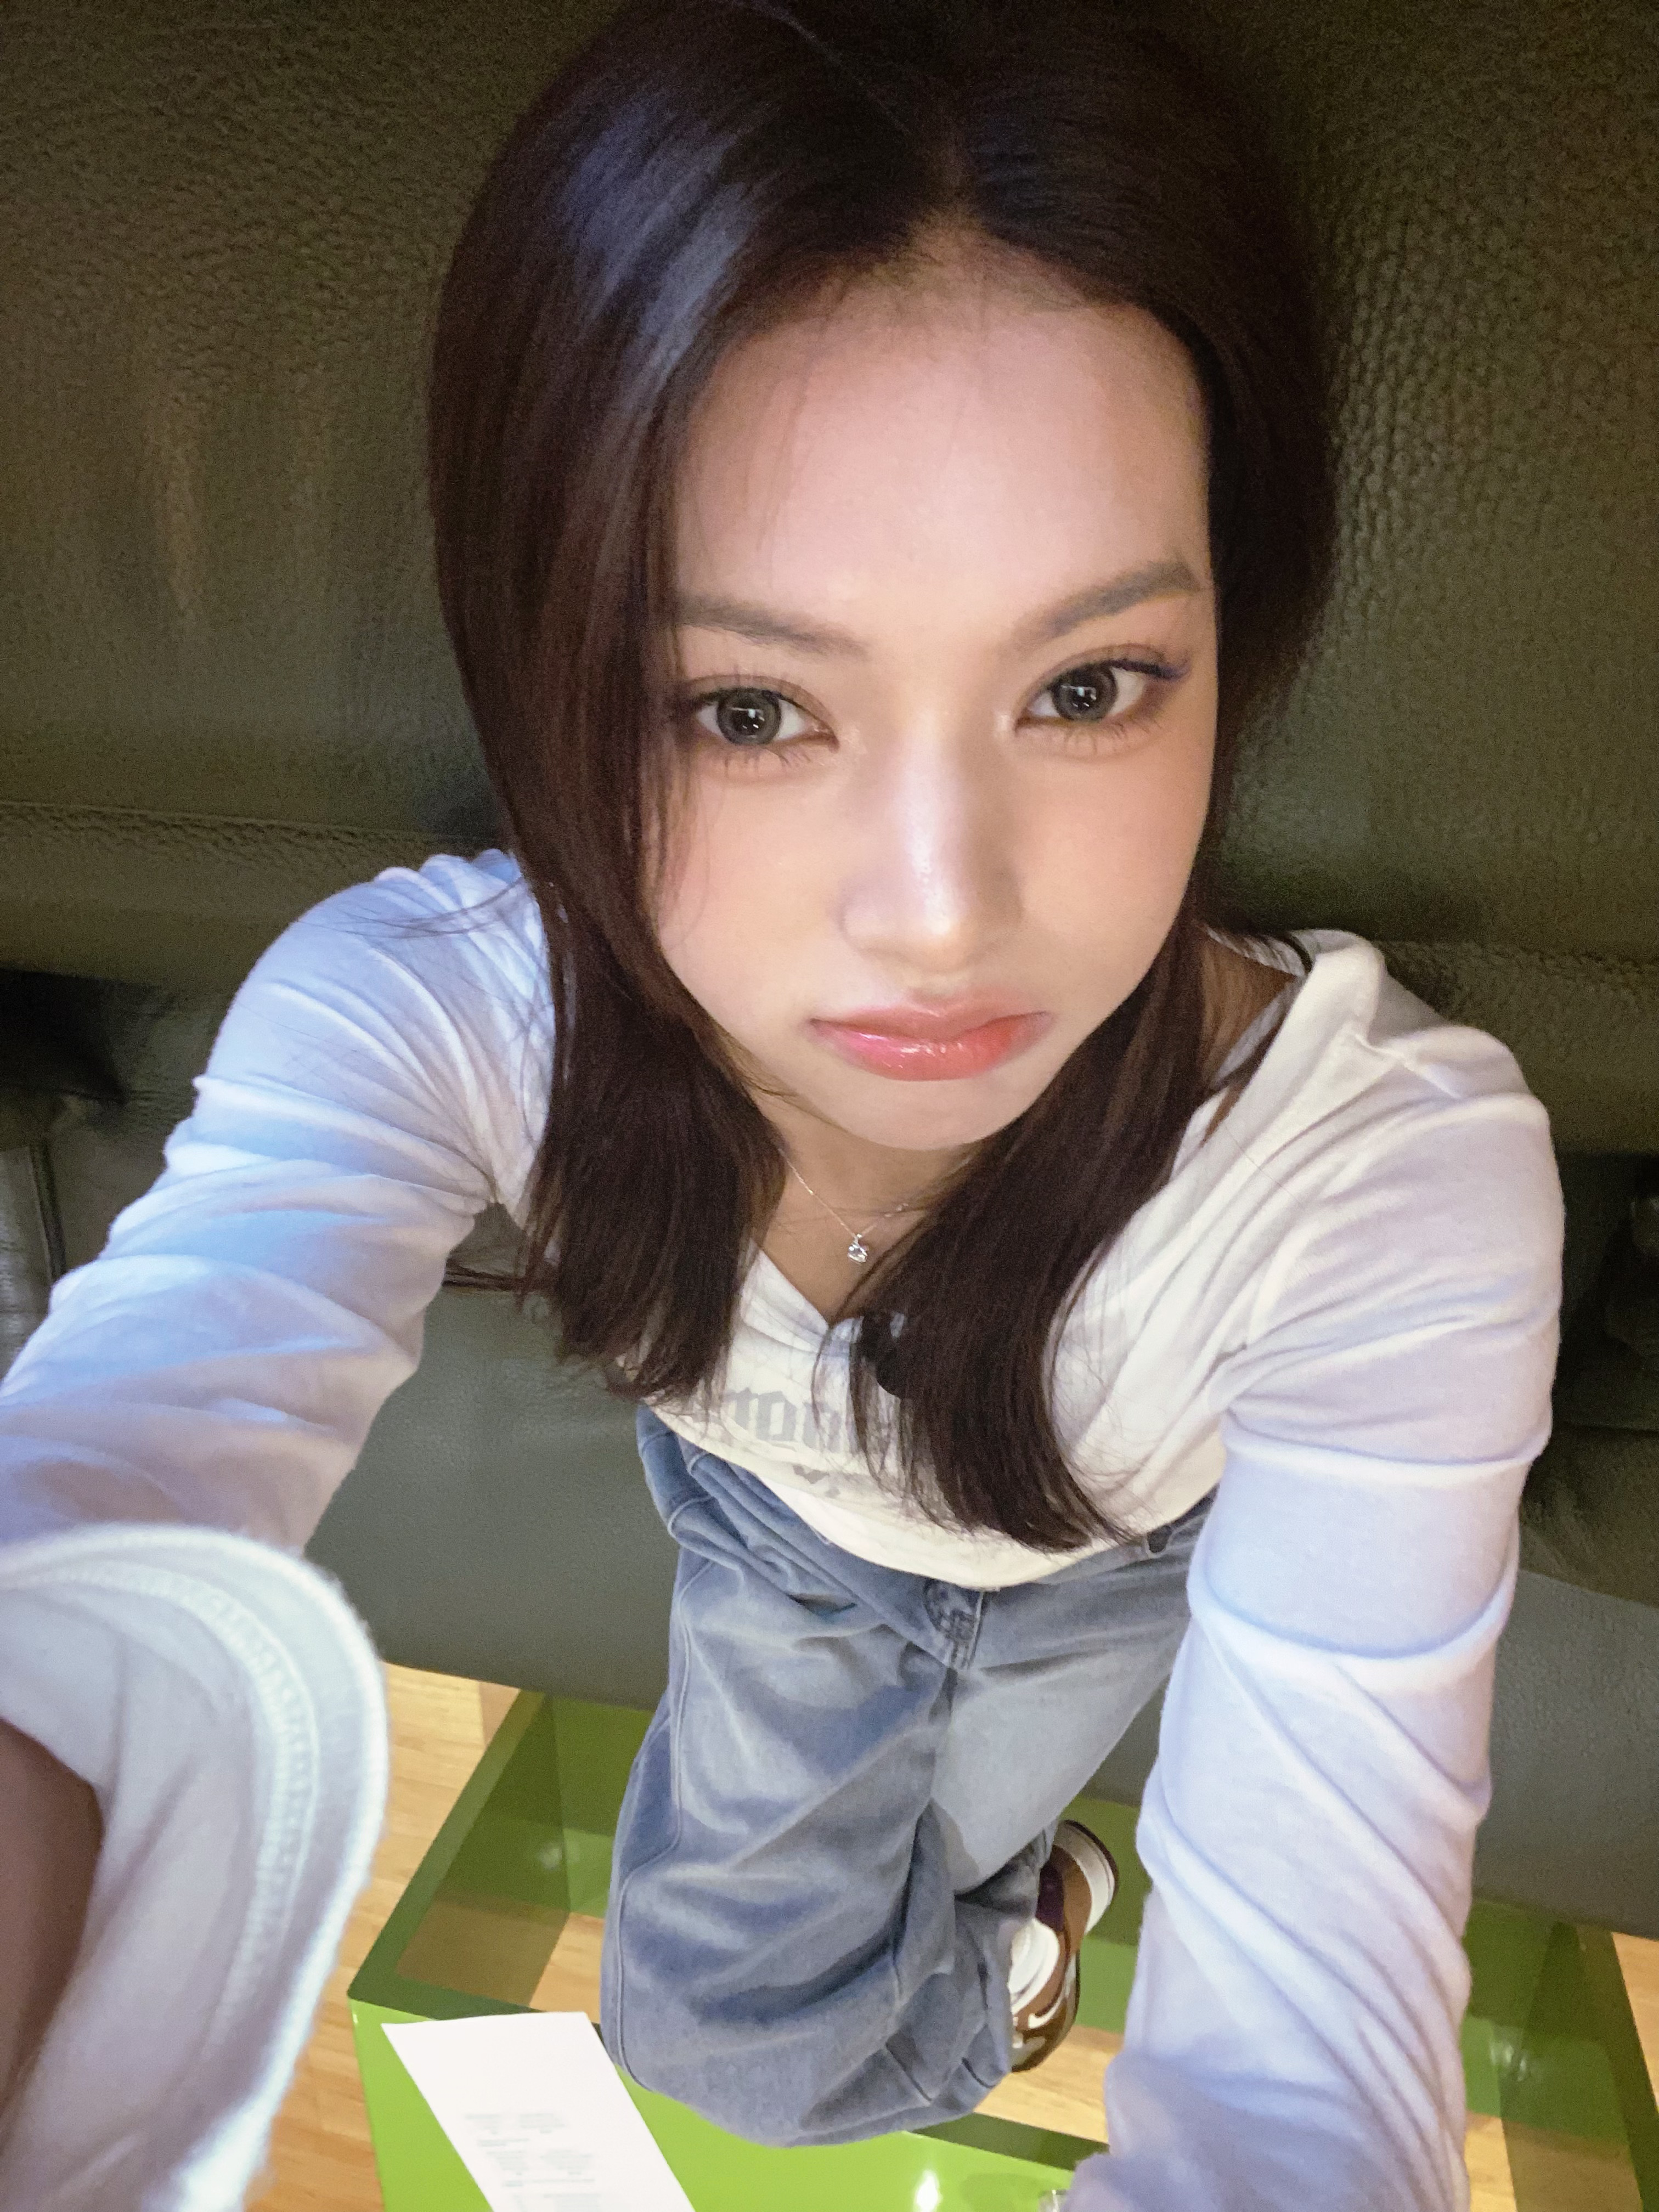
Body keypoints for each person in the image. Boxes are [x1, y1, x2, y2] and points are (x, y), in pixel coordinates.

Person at [0, 1, 1564, 2206]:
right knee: (724, 2044)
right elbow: (123, 1454)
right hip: (775, 1532)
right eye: (748, 709)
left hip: (1119, 1556)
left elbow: (1306, 2101)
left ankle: (1013, 1902)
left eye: (1089, 686)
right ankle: (1030, 1931)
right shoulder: (441, 1014)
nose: (940, 914)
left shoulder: (1382, 1185)